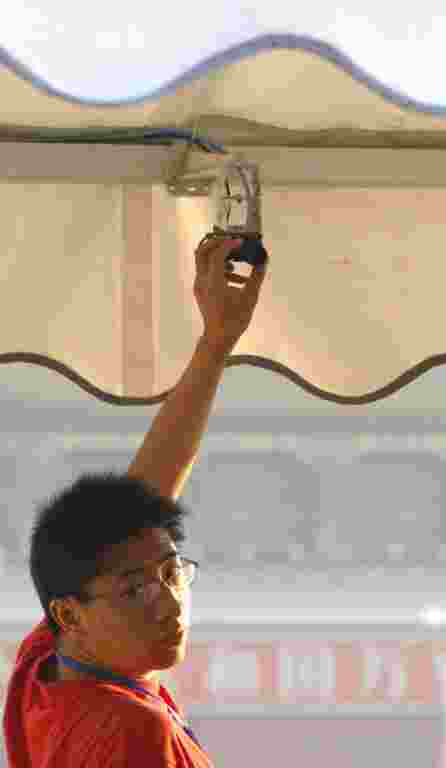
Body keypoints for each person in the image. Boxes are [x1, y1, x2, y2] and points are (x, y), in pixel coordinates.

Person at [3, 237, 266, 768]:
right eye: (136, 589)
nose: (169, 603)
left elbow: (144, 501)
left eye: (172, 573)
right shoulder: (130, 732)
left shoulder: (48, 669)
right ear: (69, 614)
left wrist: (217, 341)